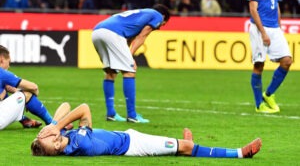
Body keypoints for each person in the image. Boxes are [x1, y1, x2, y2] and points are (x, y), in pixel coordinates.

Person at [31, 102, 262, 158]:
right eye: (51, 146)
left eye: (50, 140)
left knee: (178, 145)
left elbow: (65, 106)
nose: (54, 141)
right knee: (186, 148)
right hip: (133, 146)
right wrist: (57, 127)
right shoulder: (79, 144)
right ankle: (240, 153)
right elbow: (83, 108)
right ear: (53, 152)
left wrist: (51, 126)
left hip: (127, 135)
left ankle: (179, 144)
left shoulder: (64, 138)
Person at [91, 4, 170, 123]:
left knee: (110, 71)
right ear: (163, 16)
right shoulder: (157, 15)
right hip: (113, 34)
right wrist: (130, 58)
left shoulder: (140, 14)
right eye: (164, 23)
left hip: (97, 32)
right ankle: (132, 115)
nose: (160, 26)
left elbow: (128, 40)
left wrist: (127, 55)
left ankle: (111, 113)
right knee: (129, 71)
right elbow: (142, 36)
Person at [247, 0, 292, 113]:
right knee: (259, 65)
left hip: (274, 28)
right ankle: (259, 105)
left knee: (287, 61)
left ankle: (269, 94)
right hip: (260, 28)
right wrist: (263, 32)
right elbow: (253, 9)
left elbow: (276, 4)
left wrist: (279, 25)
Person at [0, 45, 53, 129]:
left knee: (6, 90)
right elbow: (34, 87)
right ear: (1, 59)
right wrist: (32, 95)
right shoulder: (2, 73)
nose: (9, 66)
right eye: (9, 62)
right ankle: (52, 123)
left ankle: (24, 119)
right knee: (27, 94)